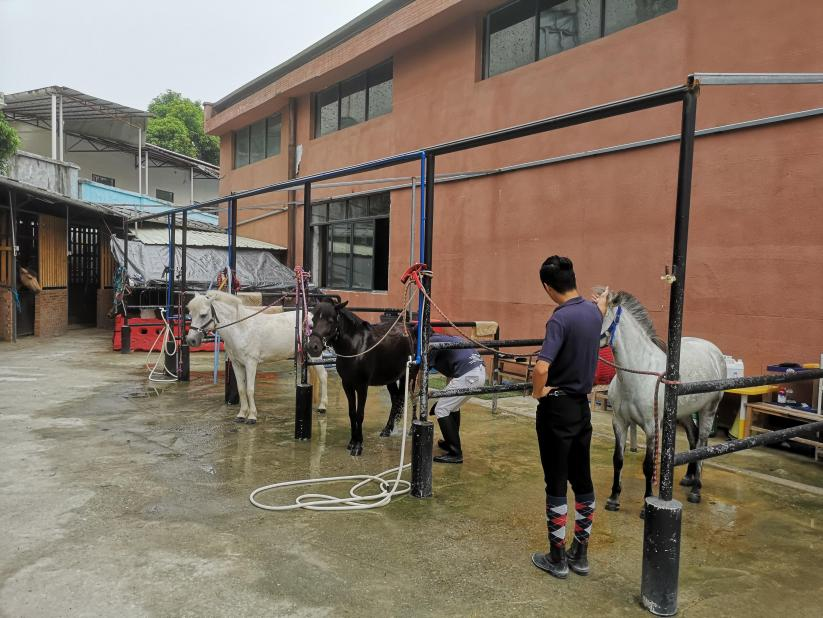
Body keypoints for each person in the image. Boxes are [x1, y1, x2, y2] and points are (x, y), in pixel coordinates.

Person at [530, 255, 607, 579]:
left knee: (556, 481)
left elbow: (541, 366)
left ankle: (557, 557)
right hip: (581, 408)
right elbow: (601, 307)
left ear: (548, 287)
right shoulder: (592, 313)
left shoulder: (559, 319)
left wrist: (538, 392)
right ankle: (581, 553)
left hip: (557, 408)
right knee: (583, 479)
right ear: (573, 279)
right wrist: (603, 299)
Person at [428, 332, 486, 464]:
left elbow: (424, 370)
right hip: (478, 372)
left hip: (468, 376)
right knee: (453, 407)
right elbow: (452, 370)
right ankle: (451, 442)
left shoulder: (431, 343)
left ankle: (455, 453)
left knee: (441, 409)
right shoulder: (449, 337)